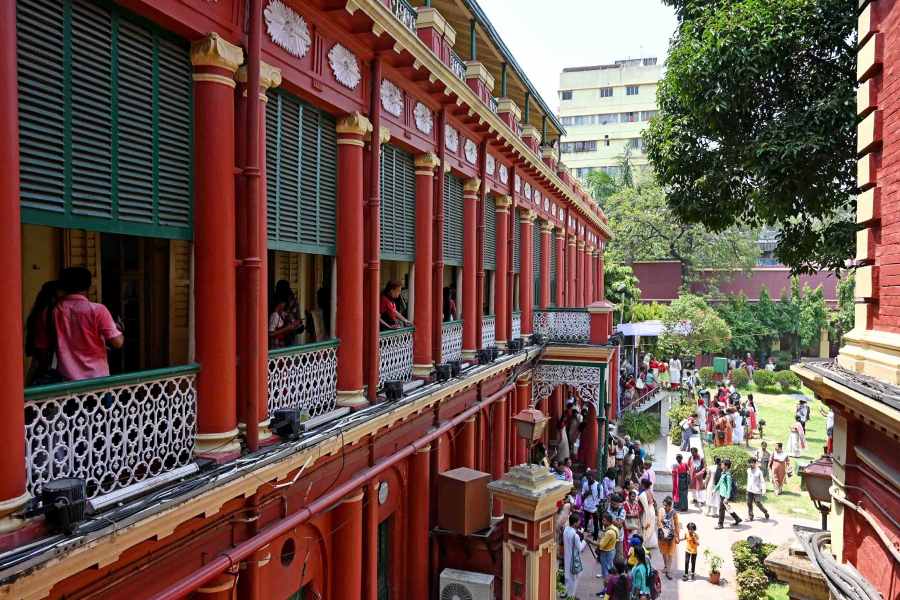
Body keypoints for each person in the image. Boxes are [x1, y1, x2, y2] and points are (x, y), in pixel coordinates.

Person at [34, 267, 123, 382]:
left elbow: (42, 348)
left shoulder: (49, 312)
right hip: (97, 380)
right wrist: (118, 330)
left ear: (63, 285)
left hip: (65, 382)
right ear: (89, 286)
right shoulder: (98, 310)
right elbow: (117, 343)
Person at [25, 280, 61, 385]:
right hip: (46, 350)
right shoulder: (51, 311)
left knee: (34, 372)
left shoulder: (39, 309)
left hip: (39, 348)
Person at [563, 513, 586, 599]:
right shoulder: (575, 536)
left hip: (567, 556)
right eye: (578, 521)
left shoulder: (566, 530)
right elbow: (580, 548)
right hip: (573, 558)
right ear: (575, 523)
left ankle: (565, 592)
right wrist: (584, 540)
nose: (579, 523)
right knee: (574, 578)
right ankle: (571, 596)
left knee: (567, 576)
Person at [715, 459, 743, 529]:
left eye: (722, 464)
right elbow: (720, 482)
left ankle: (720, 524)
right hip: (722, 494)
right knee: (727, 508)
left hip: (725, 495)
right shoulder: (723, 473)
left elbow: (729, 487)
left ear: (726, 466)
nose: (721, 465)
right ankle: (737, 518)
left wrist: (727, 497)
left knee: (721, 509)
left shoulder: (728, 476)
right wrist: (715, 489)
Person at [657, 496, 681, 579]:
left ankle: (668, 570)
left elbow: (677, 525)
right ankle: (666, 566)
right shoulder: (661, 510)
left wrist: (677, 536)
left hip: (671, 536)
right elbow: (659, 522)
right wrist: (663, 531)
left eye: (666, 505)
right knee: (664, 552)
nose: (664, 507)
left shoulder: (674, 513)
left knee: (670, 553)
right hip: (662, 536)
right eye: (663, 505)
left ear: (670, 505)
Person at [594, 513, 619, 580]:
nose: (602, 522)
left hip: (606, 551)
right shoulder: (615, 528)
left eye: (604, 520)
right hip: (612, 549)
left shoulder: (609, 532)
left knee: (606, 567)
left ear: (609, 521)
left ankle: (607, 581)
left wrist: (590, 542)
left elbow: (601, 545)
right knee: (608, 565)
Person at [638, 479, 658, 549]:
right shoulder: (650, 491)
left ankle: (645, 543)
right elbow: (654, 502)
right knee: (651, 527)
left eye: (641, 484)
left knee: (646, 527)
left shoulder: (643, 494)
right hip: (652, 510)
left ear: (643, 485)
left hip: (647, 512)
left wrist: (645, 516)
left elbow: (645, 507)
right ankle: (650, 543)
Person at [582, 470, 602, 540]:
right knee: (586, 522)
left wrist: (598, 506)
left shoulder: (599, 486)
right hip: (586, 507)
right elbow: (582, 496)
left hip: (594, 508)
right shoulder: (585, 484)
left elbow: (601, 498)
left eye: (591, 477)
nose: (589, 479)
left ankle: (595, 537)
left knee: (595, 523)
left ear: (594, 477)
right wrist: (588, 492)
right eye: (588, 477)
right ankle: (584, 536)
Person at [607, 493, 627, 561]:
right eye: (612, 504)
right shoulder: (609, 507)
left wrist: (609, 519)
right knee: (608, 554)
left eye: (614, 504)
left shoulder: (622, 511)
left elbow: (619, 524)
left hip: (618, 537)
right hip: (609, 534)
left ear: (619, 504)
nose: (612, 505)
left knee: (618, 556)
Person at [623, 490, 641, 557]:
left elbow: (639, 511)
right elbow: (623, 514)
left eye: (634, 496)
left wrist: (636, 515)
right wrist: (632, 515)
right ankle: (627, 553)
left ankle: (632, 553)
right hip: (627, 525)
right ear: (629, 496)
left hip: (634, 525)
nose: (633, 498)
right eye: (632, 496)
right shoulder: (625, 504)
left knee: (633, 538)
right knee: (627, 539)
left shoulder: (636, 504)